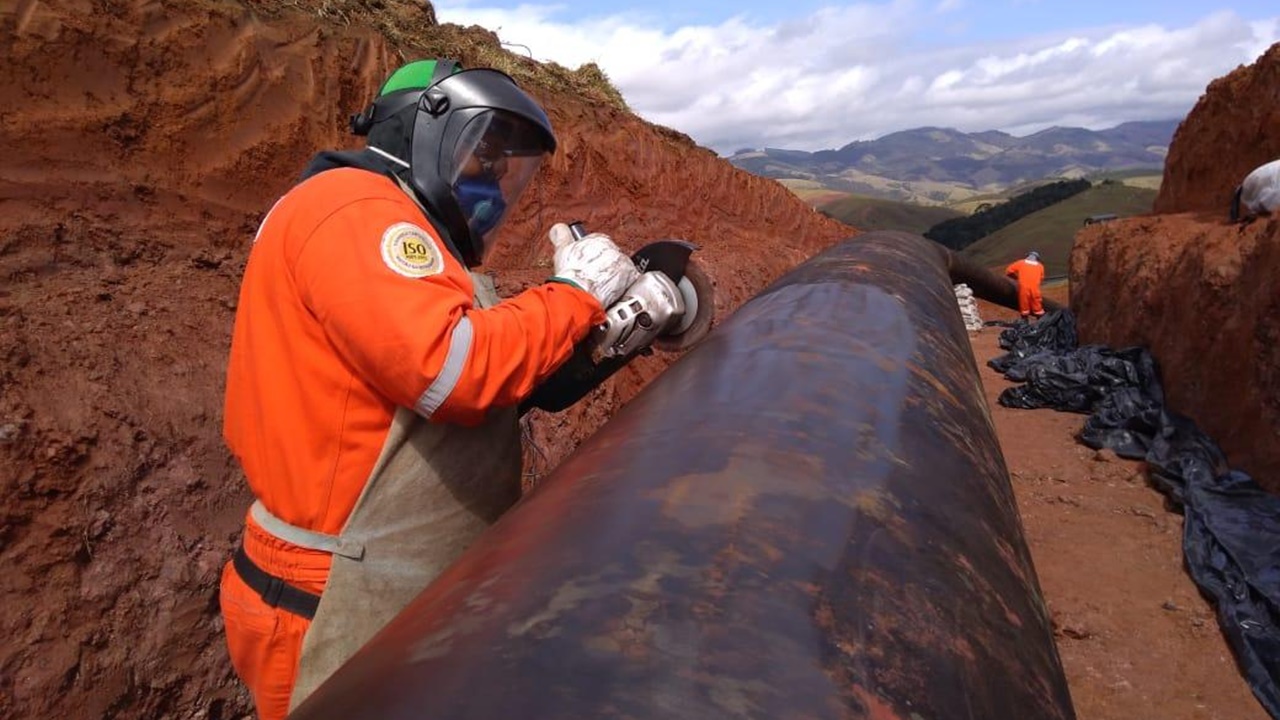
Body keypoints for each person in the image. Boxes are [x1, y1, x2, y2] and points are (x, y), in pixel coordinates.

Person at [217, 59, 656, 719]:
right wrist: (572, 296)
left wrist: (609, 327)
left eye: (507, 170)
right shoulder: (353, 207)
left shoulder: (395, 229)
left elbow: (495, 381)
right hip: (325, 592)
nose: (494, 185)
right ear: (423, 131)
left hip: (379, 580)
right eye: (483, 159)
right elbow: (453, 370)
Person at [1005, 250, 1045, 321]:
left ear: (1028, 256)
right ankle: (1041, 322)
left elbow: (1008, 271)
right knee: (1037, 305)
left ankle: (1024, 322)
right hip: (1035, 289)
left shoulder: (1021, 263)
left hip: (1024, 287)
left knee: (1024, 304)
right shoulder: (1040, 266)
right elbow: (1041, 278)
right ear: (1037, 258)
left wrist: (1016, 277)